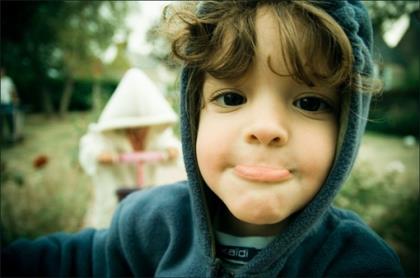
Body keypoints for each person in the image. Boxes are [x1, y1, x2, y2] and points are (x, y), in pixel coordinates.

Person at [1, 1, 404, 276]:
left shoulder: (357, 262)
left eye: (311, 103)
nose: (265, 127)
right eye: (231, 97)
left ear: (348, 125)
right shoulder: (149, 224)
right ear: (195, 114)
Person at [79, 68, 186, 228]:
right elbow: (89, 148)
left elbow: (170, 143)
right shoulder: (108, 135)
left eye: (144, 126)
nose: (140, 130)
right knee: (114, 229)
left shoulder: (155, 133)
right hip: (116, 194)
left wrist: (172, 151)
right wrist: (100, 155)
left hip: (145, 192)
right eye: (134, 126)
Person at [0, 67, 19, 143]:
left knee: (10, 119)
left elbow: (12, 90)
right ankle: (2, 138)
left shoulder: (8, 80)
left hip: (7, 103)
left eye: (2, 72)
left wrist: (15, 99)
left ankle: (12, 136)